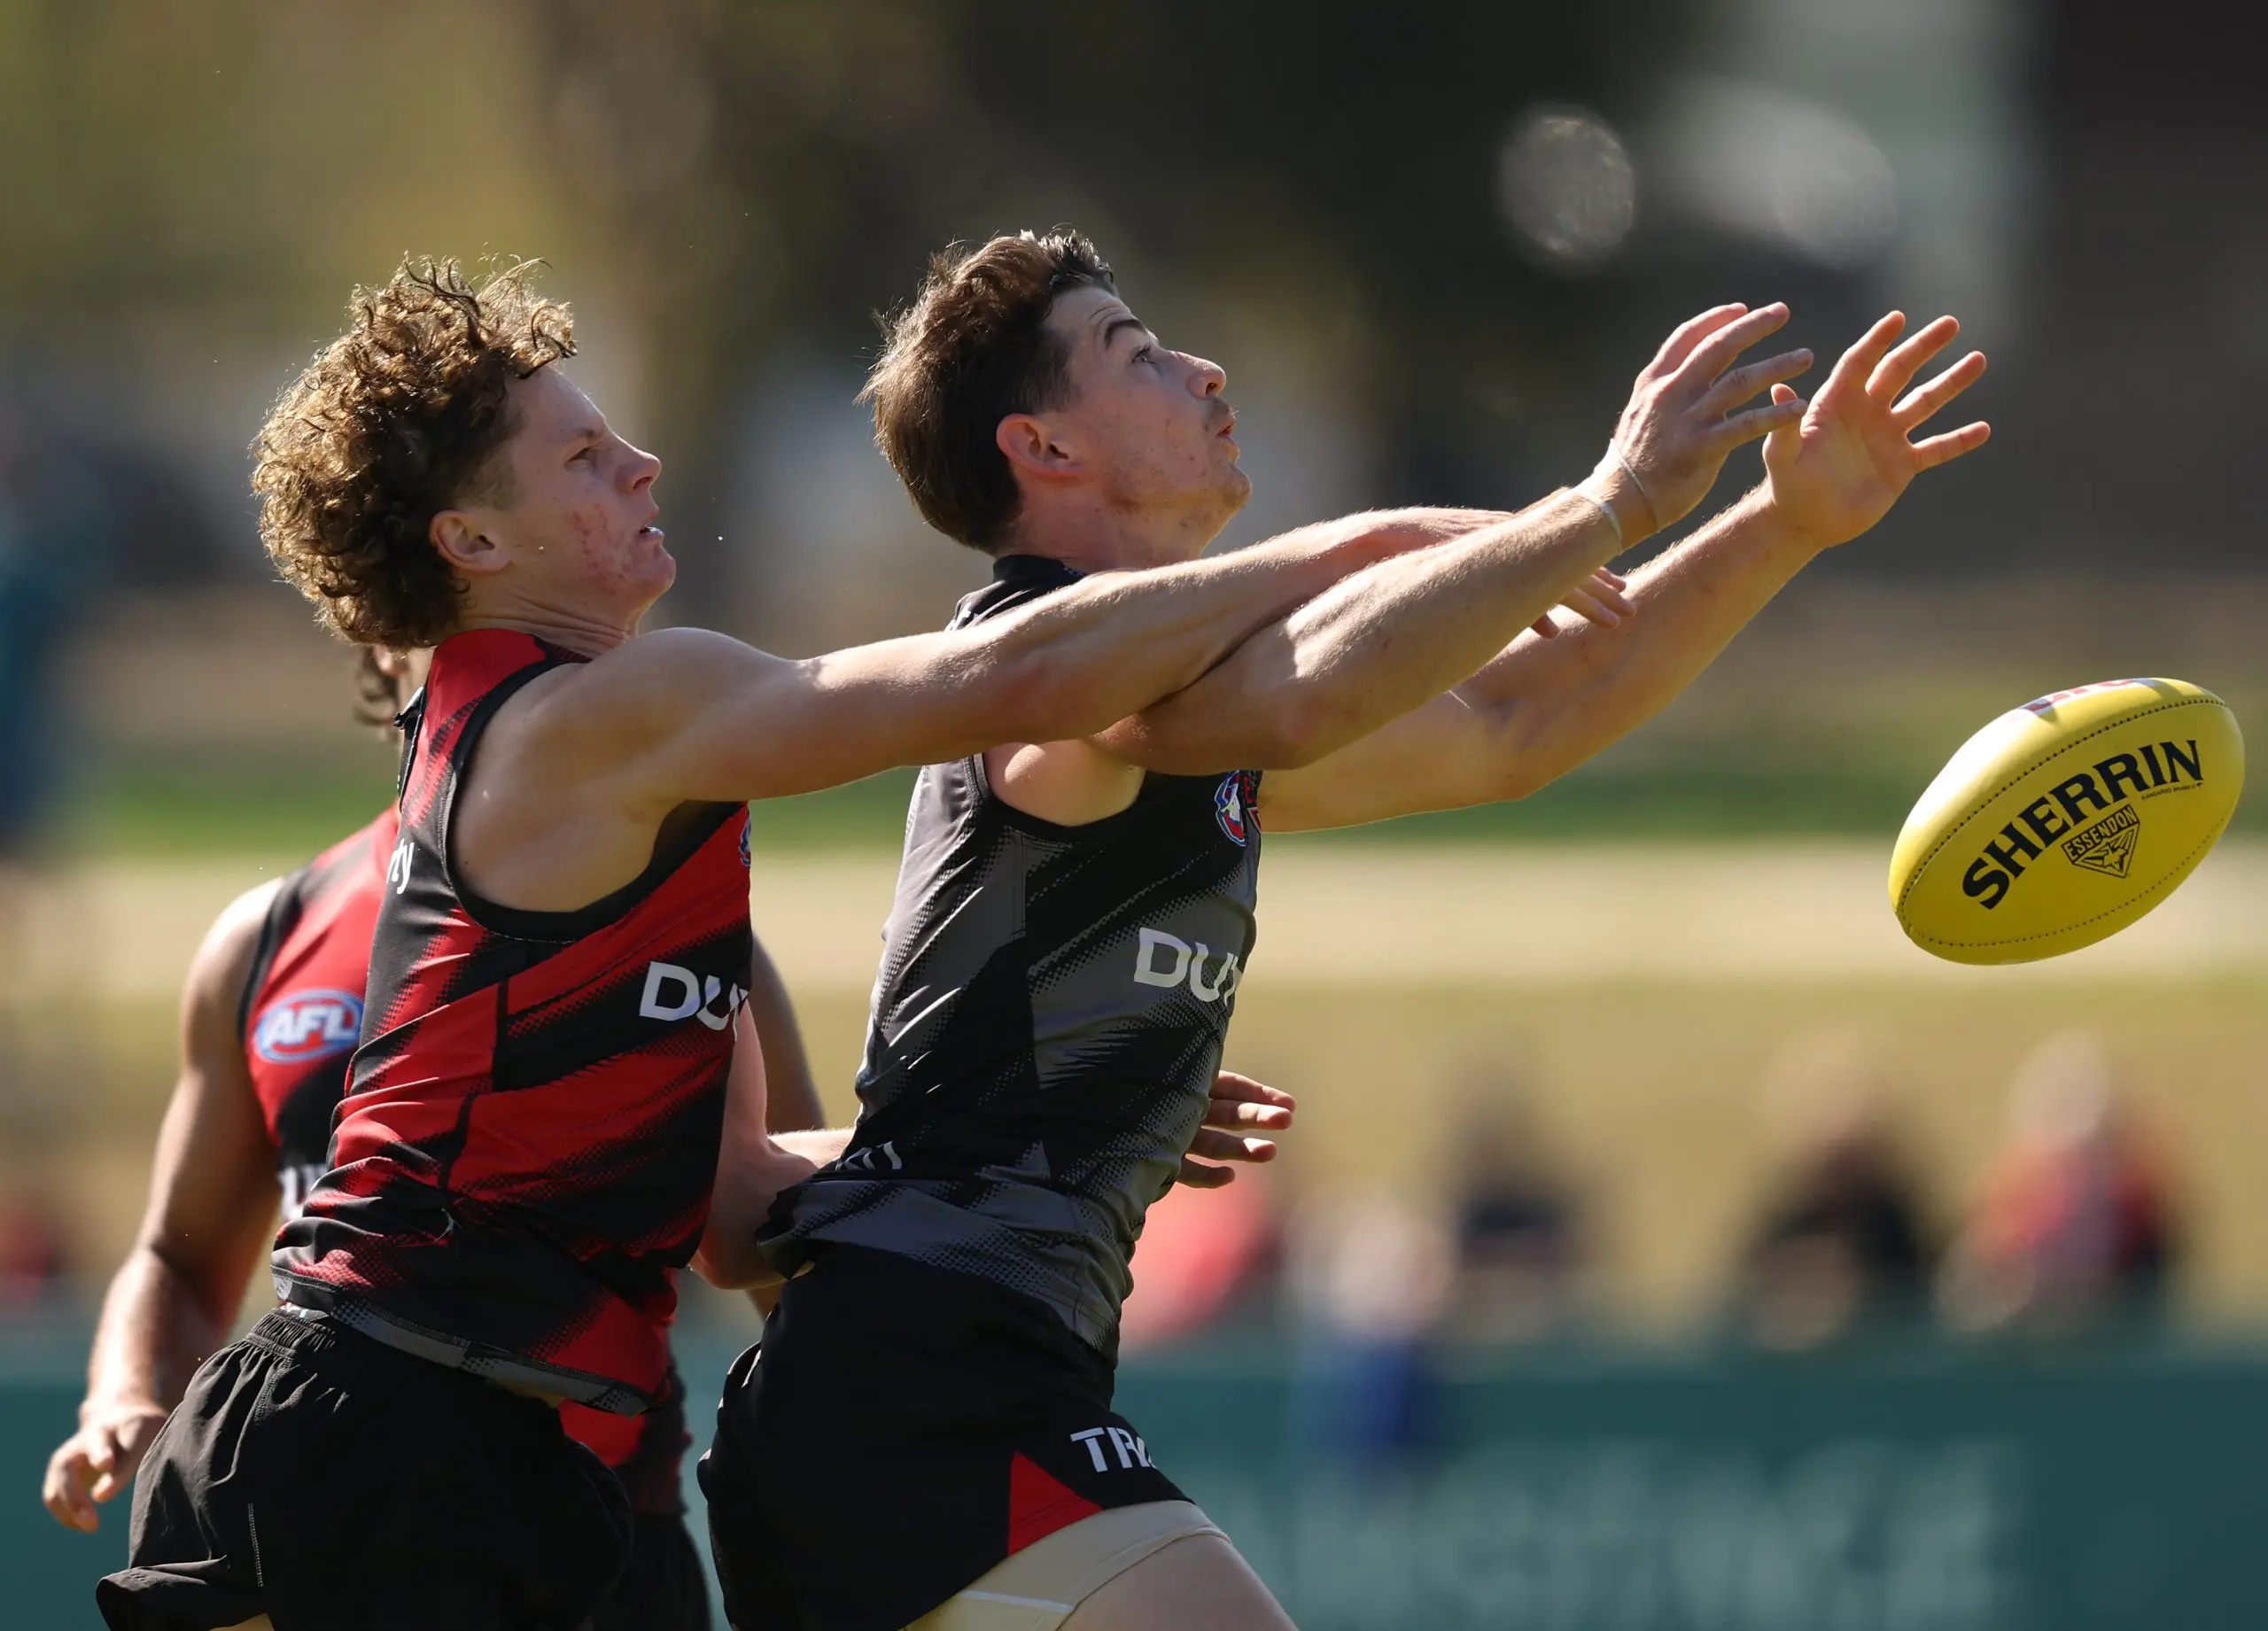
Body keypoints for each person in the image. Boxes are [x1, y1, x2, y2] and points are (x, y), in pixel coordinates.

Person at [97, 256, 1537, 1631]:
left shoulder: (613, 790)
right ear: (474, 544)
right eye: (584, 460)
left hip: (504, 1457)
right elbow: (1000, 675)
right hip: (390, 1424)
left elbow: (734, 1212)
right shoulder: (591, 716)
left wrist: (1072, 1108)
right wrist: (1356, 546)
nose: (644, 466)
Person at [704, 229, 1991, 1631]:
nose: (1203, 370)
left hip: (928, 1384)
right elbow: (1308, 695)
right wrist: (1604, 502)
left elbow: (1514, 721)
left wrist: (1785, 519)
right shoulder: (1053, 680)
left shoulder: (1187, 716)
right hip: (923, 1378)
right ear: (1043, 447)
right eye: (1137, 352)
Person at [46, 648, 819, 1630]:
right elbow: (176, 1253)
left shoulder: (689, 933)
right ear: (386, 615)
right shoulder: (268, 937)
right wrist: (121, 1390)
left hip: (598, 1545)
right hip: (351, 1530)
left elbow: (788, 1261)